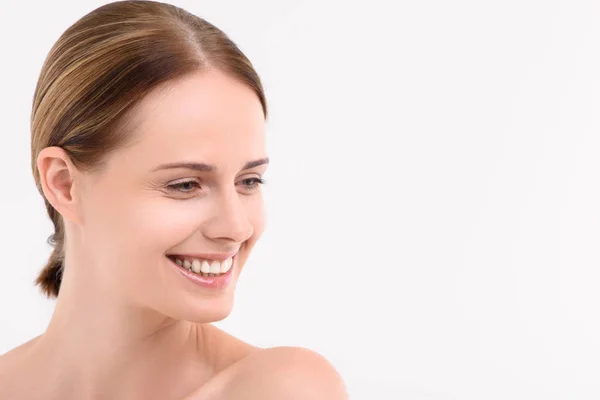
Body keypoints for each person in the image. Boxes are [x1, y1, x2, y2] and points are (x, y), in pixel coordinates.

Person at [0, 1, 347, 399]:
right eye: (185, 185)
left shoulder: (280, 387)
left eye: (249, 181)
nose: (236, 227)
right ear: (64, 184)